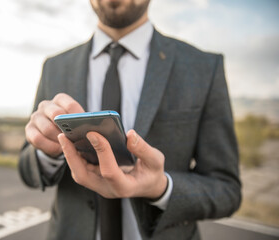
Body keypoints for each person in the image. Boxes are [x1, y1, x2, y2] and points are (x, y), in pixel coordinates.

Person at [19, 0, 241, 239]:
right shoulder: (55, 67)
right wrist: (47, 153)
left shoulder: (203, 68)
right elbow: (27, 171)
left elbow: (226, 190)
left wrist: (161, 188)